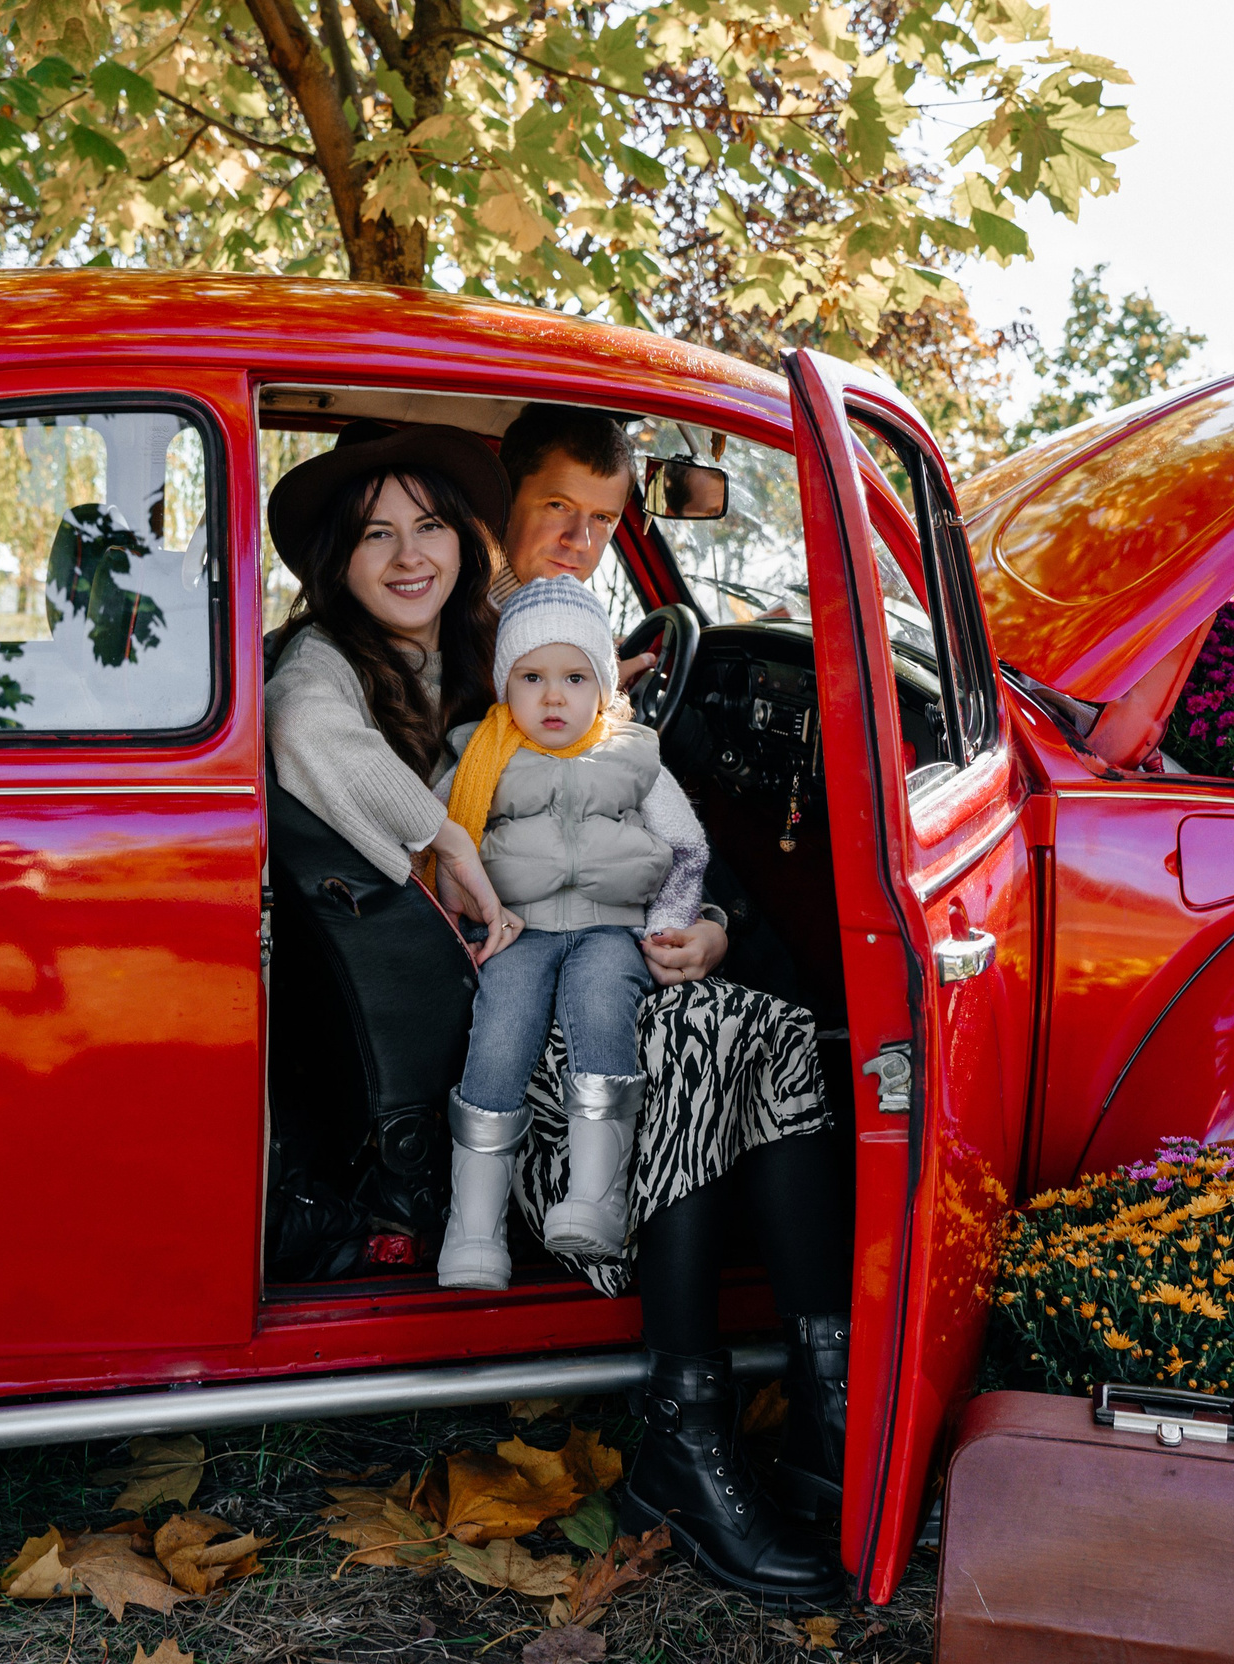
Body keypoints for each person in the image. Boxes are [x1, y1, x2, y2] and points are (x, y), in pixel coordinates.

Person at [265, 421, 849, 1603]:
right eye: (376, 534)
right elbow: (305, 735)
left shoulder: (507, 651)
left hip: (556, 974)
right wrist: (446, 843)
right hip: (471, 1051)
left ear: (466, 540)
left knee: (762, 1028)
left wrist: (710, 926)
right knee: (689, 1049)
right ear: (337, 559)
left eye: (430, 524)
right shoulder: (320, 665)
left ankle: (826, 1406)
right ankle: (685, 1441)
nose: (410, 553)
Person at [432, 577, 709, 1289]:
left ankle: (596, 1196)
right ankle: (474, 1227)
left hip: (609, 928)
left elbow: (685, 846)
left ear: (603, 685)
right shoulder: (481, 754)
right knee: (499, 1027)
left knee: (600, 1007)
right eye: (531, 677)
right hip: (517, 929)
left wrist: (671, 926)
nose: (553, 697)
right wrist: (459, 918)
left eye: (574, 677)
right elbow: (438, 842)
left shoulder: (631, 753)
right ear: (505, 687)